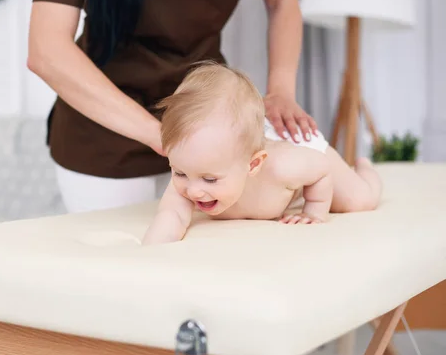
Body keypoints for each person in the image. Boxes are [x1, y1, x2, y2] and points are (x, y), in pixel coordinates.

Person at [27, 0, 318, 214]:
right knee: (121, 270)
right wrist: (164, 138)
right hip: (106, 129)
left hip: (206, 123)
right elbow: (46, 50)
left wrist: (280, 90)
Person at [142, 62, 382, 245]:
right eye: (179, 172)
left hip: (296, 142)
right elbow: (171, 215)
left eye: (210, 179)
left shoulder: (285, 165)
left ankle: (365, 167)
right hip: (247, 145)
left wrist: (314, 211)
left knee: (360, 200)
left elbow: (320, 169)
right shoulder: (193, 172)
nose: (192, 190)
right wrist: (153, 248)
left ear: (253, 164)